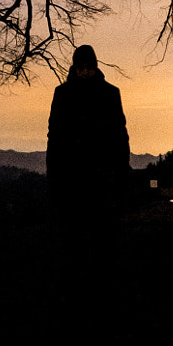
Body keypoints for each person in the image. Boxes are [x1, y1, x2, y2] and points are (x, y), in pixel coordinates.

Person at [46, 45, 131, 217]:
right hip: (71, 176)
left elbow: (120, 136)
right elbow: (54, 136)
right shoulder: (62, 94)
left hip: (103, 177)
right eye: (81, 68)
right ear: (75, 68)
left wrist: (121, 172)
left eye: (88, 68)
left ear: (95, 67)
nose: (85, 72)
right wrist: (54, 173)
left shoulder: (110, 93)